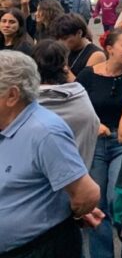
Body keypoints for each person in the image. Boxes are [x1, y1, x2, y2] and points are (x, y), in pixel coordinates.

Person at [0, 51, 104, 256]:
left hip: (40, 248)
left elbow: (87, 194)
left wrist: (71, 215)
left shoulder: (44, 132)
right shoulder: (6, 125)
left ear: (12, 96)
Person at [77, 28, 122, 258]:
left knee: (118, 200)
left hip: (121, 143)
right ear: (109, 48)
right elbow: (78, 108)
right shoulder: (88, 75)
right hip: (95, 145)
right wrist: (95, 124)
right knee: (96, 204)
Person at [33, 39, 100, 169]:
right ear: (64, 65)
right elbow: (94, 124)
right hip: (78, 173)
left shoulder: (23, 102)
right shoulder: (78, 94)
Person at [52, 13, 106, 78]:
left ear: (79, 33)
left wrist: (63, 67)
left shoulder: (96, 55)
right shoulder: (67, 50)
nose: (60, 43)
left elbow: (85, 84)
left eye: (65, 38)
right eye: (58, 39)